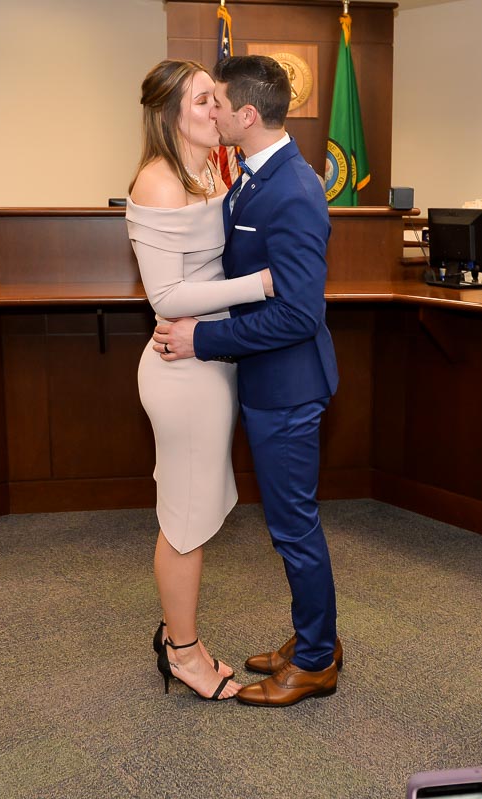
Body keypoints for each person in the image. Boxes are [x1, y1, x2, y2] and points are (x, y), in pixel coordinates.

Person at [153, 54, 342, 708]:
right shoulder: (255, 175)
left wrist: (200, 337)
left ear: (248, 114)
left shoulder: (292, 187)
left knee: (293, 525)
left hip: (287, 385)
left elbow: (296, 311)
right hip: (265, 379)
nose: (213, 111)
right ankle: (314, 635)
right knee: (291, 521)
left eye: (219, 102)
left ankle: (317, 659)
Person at [128, 59, 277, 701]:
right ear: (170, 115)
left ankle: (175, 632)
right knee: (184, 518)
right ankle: (183, 654)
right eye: (201, 101)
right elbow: (166, 295)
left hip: (209, 359)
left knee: (196, 506)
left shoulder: (209, 171)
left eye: (215, 99)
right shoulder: (159, 182)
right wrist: (267, 283)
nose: (215, 110)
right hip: (181, 369)